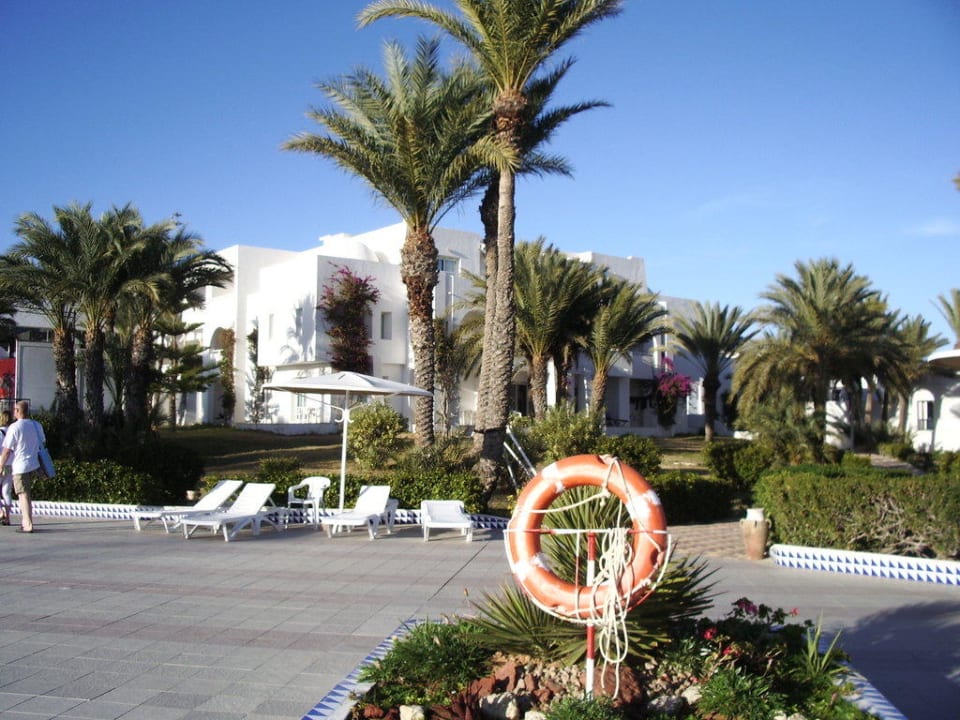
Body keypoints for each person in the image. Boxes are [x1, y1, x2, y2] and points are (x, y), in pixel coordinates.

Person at [0, 401, 45, 533]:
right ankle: (26, 521)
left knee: (23, 495)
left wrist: (1, 465)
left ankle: (28, 524)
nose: (13, 412)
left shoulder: (15, 427)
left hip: (20, 466)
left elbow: (6, 450)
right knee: (26, 494)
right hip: (34, 464)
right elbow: (42, 443)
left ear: (19, 411)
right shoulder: (37, 425)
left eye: (15, 409)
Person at [0, 409, 11, 525]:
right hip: (11, 465)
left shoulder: (0, 433)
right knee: (6, 492)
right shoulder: (13, 431)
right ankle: (7, 517)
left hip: (1, 463)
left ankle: (0, 512)